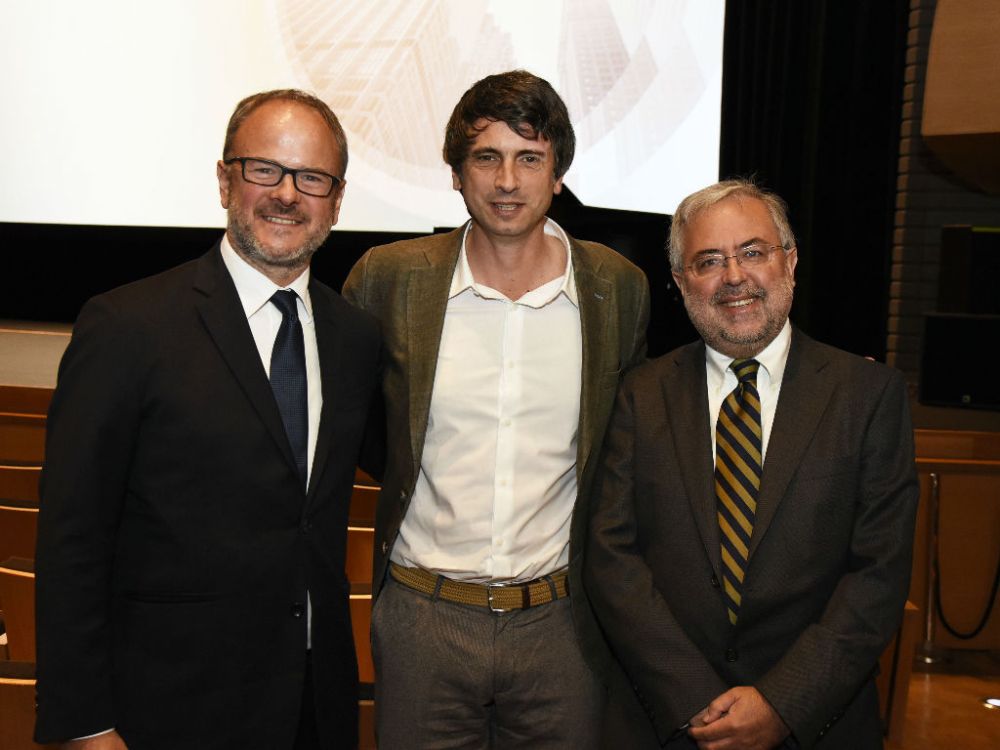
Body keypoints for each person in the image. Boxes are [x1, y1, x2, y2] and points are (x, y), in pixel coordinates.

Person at [34, 89, 382, 749]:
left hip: (314, 707)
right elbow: (72, 539)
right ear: (225, 181)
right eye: (264, 169)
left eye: (312, 177)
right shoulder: (127, 326)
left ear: (336, 201)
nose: (287, 194)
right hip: (168, 710)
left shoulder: (354, 338)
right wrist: (85, 723)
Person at [342, 70, 649, 748]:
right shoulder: (388, 278)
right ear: (457, 173)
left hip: (562, 624)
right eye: (487, 157)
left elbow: (620, 450)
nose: (507, 180)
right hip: (423, 618)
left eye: (529, 158)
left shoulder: (617, 288)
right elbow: (365, 432)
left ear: (558, 174)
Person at [586, 179, 919, 749]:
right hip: (668, 720)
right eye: (709, 261)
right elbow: (612, 557)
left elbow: (878, 575)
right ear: (681, 282)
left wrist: (783, 703)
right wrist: (694, 698)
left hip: (816, 723)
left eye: (753, 252)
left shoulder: (868, 396)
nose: (734, 276)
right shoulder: (639, 394)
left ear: (790, 261)